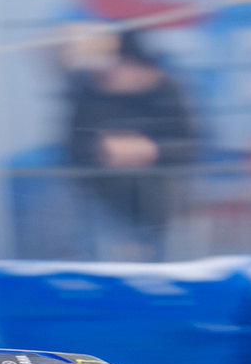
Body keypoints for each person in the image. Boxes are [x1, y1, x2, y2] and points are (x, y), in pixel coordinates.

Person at [60, 27, 200, 261]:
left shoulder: (167, 90)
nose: (112, 73)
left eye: (121, 64)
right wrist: (102, 150)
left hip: (161, 204)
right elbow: (73, 148)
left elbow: (192, 146)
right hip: (104, 200)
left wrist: (152, 150)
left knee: (165, 261)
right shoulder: (90, 93)